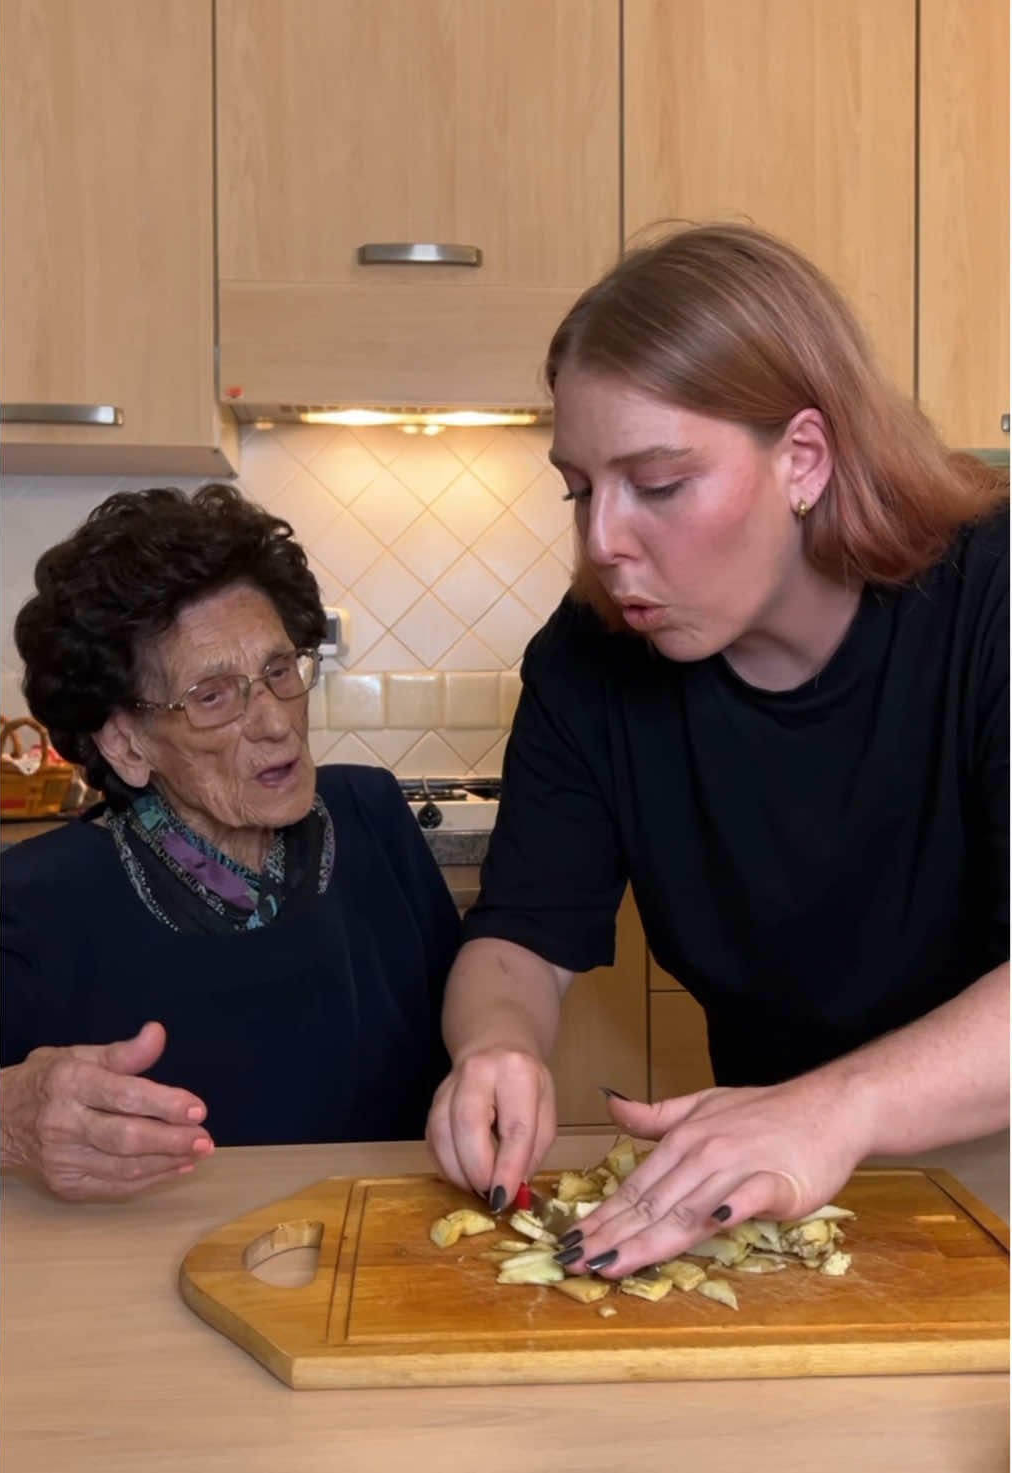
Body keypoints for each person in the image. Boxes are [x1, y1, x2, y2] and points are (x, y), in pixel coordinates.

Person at [425, 224, 1009, 1280]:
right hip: (781, 1193)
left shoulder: (992, 601)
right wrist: (494, 1045)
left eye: (656, 483)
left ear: (803, 458)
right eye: (579, 487)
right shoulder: (588, 664)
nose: (603, 540)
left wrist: (835, 1107)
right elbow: (520, 935)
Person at [1, 484, 459, 1199]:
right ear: (125, 742)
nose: (275, 720)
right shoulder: (35, 901)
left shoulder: (373, 815)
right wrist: (8, 1120)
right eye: (213, 695)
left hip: (387, 1252)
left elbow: (462, 1032)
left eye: (280, 671)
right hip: (134, 1280)